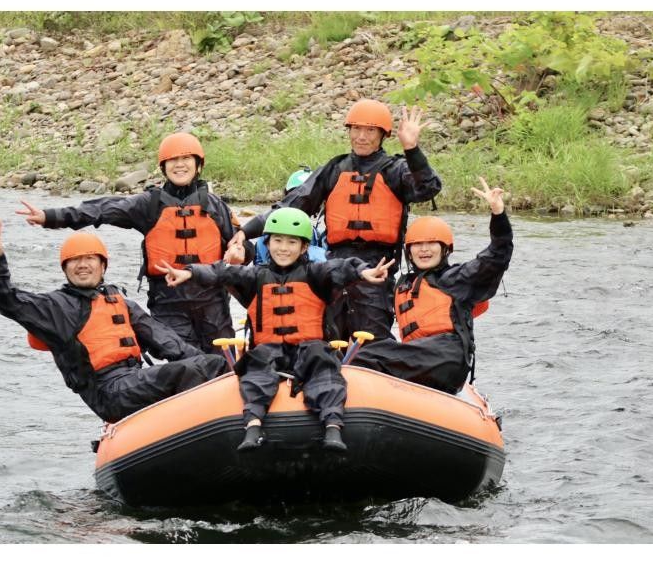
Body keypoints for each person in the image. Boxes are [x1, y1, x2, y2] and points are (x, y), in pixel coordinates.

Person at [157, 208, 391, 453]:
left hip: (310, 347)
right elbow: (222, 271)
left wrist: (363, 271)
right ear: (267, 244)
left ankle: (333, 426)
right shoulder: (255, 276)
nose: (283, 248)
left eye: (292, 242)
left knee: (325, 367)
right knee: (256, 368)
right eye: (277, 241)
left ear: (303, 248)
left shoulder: (315, 274)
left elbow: (341, 268)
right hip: (267, 349)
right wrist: (190, 272)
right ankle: (253, 426)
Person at [16, 132, 253, 355]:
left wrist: (240, 253)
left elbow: (244, 248)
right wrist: (50, 216)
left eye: (185, 159)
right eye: (173, 160)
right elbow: (101, 210)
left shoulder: (215, 207)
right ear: (163, 167)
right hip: (168, 302)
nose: (179, 165)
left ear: (198, 164)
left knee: (222, 361)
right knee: (187, 362)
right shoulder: (148, 205)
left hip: (212, 300)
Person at [228, 100, 441, 343]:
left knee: (372, 341)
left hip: (377, 266)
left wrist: (412, 149)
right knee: (329, 337)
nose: (361, 136)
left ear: (383, 135)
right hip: (334, 268)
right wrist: (246, 231)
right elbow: (292, 205)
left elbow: (429, 188)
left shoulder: (396, 170)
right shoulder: (335, 169)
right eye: (356, 129)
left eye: (370, 130)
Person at [0, 221, 227, 424]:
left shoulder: (118, 301)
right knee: (191, 370)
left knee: (210, 363)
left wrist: (206, 363)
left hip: (135, 379)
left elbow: (168, 342)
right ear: (65, 268)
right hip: (108, 392)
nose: (83, 265)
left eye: (90, 258)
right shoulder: (56, 307)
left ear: (102, 265)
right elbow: (9, 301)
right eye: (75, 260)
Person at [352, 177, 513, 395]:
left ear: (445, 249)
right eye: (417, 245)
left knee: (367, 357)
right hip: (416, 358)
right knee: (361, 353)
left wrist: (498, 214)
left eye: (431, 244)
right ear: (409, 252)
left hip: (446, 357)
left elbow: (497, 255)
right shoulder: (401, 285)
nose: (424, 250)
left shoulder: (456, 278)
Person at [254, 167, 327, 265]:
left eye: (308, 201)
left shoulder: (322, 238)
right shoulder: (265, 238)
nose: (300, 204)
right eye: (294, 197)